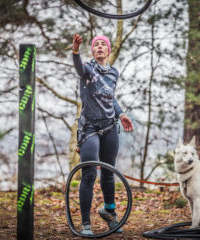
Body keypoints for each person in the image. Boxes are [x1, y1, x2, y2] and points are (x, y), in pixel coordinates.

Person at [72, 33, 134, 235]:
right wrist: (75, 52)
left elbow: (110, 96)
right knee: (89, 173)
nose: (99, 47)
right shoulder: (88, 70)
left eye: (103, 45)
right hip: (89, 129)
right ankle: (85, 224)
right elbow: (79, 67)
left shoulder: (114, 73)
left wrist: (121, 113)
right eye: (96, 45)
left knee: (109, 172)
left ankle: (110, 214)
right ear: (92, 51)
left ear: (108, 50)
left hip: (110, 128)